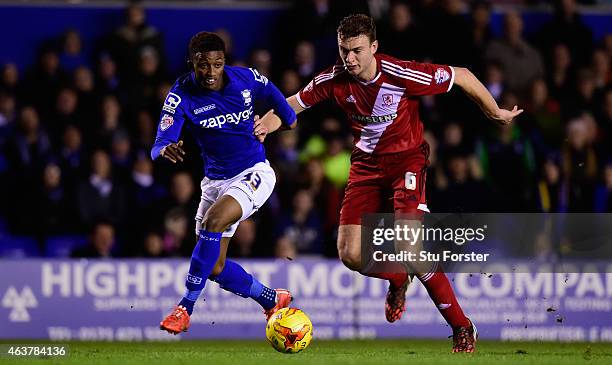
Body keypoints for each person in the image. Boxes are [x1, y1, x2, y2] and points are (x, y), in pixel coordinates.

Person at [256, 14, 522, 353]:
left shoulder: (401, 74)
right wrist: (263, 125)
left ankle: (461, 325)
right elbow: (292, 104)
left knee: (411, 248)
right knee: (349, 254)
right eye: (343, 50)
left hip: (406, 164)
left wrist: (495, 111)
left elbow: (463, 76)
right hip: (365, 168)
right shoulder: (334, 78)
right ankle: (397, 278)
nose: (349, 59)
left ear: (374, 47)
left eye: (356, 50)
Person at [151, 31, 297, 335]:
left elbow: (287, 114)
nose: (210, 73)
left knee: (213, 222)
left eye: (217, 65)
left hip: (254, 172)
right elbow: (160, 140)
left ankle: (184, 308)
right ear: (192, 63)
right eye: (203, 65)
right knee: (215, 267)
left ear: (224, 62)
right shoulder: (181, 94)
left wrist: (273, 124)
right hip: (215, 182)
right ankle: (272, 298)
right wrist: (165, 148)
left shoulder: (247, 79)